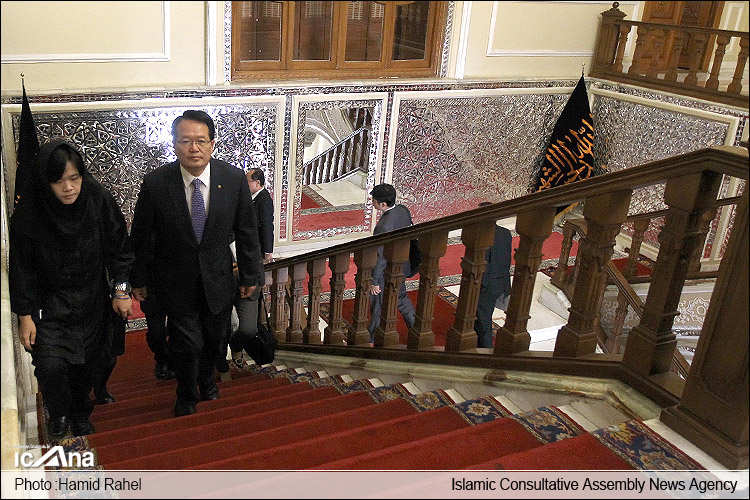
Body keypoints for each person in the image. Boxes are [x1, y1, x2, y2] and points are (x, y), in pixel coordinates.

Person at [130, 110, 263, 417]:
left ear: (212, 144)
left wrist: (250, 276)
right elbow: (140, 237)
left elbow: (247, 232)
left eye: (201, 141)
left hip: (218, 279)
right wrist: (137, 279)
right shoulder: (156, 183)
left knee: (216, 341)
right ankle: (186, 393)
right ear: (174, 144)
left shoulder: (232, 179)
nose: (194, 148)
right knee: (186, 343)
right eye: (186, 141)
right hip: (175, 282)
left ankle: (207, 380)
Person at [10, 139, 133, 439]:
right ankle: (59, 413)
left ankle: (80, 413)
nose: (68, 188)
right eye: (58, 181)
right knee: (50, 366)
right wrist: (24, 315)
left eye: (74, 178)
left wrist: (121, 289)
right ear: (46, 183)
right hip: (50, 304)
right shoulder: (30, 213)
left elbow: (119, 247)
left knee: (88, 364)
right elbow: (22, 267)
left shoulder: (97, 199)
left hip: (92, 299)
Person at [222, 168, 274, 371]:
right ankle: (221, 361)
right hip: (223, 282)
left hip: (249, 282)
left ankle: (236, 347)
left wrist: (258, 276)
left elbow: (263, 234)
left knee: (248, 329)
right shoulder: (220, 225)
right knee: (221, 327)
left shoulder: (252, 223)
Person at [368, 183, 416, 344]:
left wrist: (375, 281)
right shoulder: (403, 210)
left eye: (374, 201)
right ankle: (417, 329)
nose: (372, 203)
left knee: (377, 303)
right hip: (402, 264)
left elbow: (380, 256)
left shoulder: (383, 227)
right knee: (401, 298)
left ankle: (372, 337)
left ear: (383, 204)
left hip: (386, 271)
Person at [474, 202, 513, 348]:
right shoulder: (505, 233)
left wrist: (480, 285)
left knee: (483, 319)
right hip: (502, 281)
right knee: (482, 315)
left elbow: (484, 263)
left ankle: (486, 350)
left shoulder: (483, 236)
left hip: (488, 283)